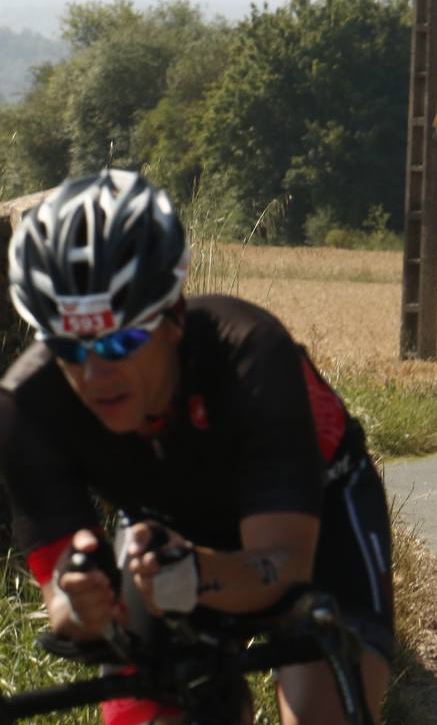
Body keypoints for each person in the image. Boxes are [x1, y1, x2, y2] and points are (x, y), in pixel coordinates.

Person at [0, 169, 394, 723]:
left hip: (316, 516)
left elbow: (284, 566)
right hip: (166, 542)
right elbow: (62, 606)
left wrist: (192, 576)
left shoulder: (251, 353)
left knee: (322, 713)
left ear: (174, 318)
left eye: (121, 339)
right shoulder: (27, 404)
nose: (94, 372)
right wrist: (83, 601)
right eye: (68, 344)